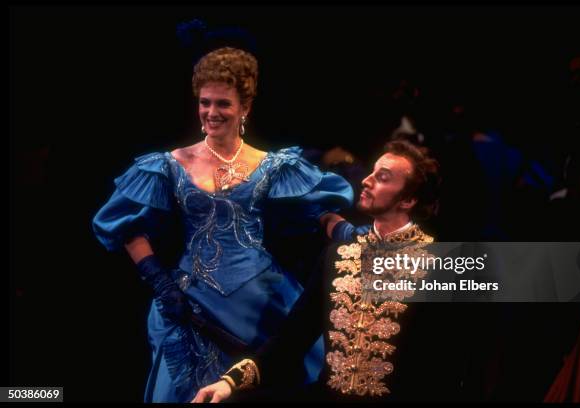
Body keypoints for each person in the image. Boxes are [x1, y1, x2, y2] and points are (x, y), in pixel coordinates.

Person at [92, 47, 354, 403]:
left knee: (271, 375)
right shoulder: (171, 164)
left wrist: (347, 235)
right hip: (189, 298)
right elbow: (125, 224)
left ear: (244, 107)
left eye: (223, 104)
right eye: (205, 103)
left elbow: (318, 212)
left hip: (259, 300)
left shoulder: (273, 165)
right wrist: (157, 279)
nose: (211, 113)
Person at [192, 140, 485, 403]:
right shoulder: (337, 255)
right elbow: (290, 341)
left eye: (382, 178)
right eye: (371, 172)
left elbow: (454, 367)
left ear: (408, 200)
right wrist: (229, 384)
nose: (367, 181)